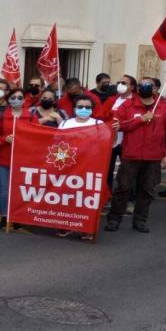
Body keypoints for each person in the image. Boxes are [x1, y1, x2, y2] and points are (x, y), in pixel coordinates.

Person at [106, 77, 166, 233]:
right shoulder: (127, 105)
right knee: (123, 188)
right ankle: (114, 219)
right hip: (130, 155)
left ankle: (140, 220)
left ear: (155, 89)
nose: (143, 87)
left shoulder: (164, 107)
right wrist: (140, 120)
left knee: (147, 190)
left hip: (153, 158)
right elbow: (117, 125)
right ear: (137, 88)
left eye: (148, 85)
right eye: (141, 85)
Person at [57, 94, 112, 240]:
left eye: (87, 107)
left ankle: (87, 227)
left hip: (91, 167)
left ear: (92, 109)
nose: (84, 109)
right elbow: (57, 144)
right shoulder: (65, 124)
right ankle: (66, 225)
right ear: (74, 108)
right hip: (69, 167)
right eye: (80, 106)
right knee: (68, 197)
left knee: (88, 198)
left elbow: (107, 144)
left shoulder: (99, 124)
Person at [0, 88, 28, 229]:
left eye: (20, 97)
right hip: (3, 159)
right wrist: (4, 139)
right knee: (4, 189)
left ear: (24, 100)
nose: (16, 100)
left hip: (23, 159)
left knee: (19, 190)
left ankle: (17, 216)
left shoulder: (30, 116)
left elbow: (37, 136)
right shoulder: (0, 117)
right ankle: (4, 216)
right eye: (13, 97)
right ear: (8, 99)